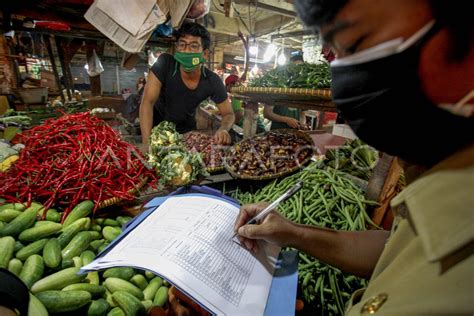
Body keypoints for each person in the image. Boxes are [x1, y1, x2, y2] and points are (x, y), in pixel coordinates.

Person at [234, 0, 474, 314]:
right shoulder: (437, 183)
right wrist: (292, 232)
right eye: (336, 55)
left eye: (354, 44)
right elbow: (396, 249)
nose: (343, 83)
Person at [139, 22, 234, 147]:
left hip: (186, 134)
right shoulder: (165, 64)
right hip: (157, 131)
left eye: (194, 46)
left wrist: (223, 129)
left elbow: (228, 114)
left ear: (204, 54)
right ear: (176, 48)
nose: (187, 51)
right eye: (182, 45)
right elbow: (147, 103)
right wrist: (147, 144)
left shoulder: (212, 80)